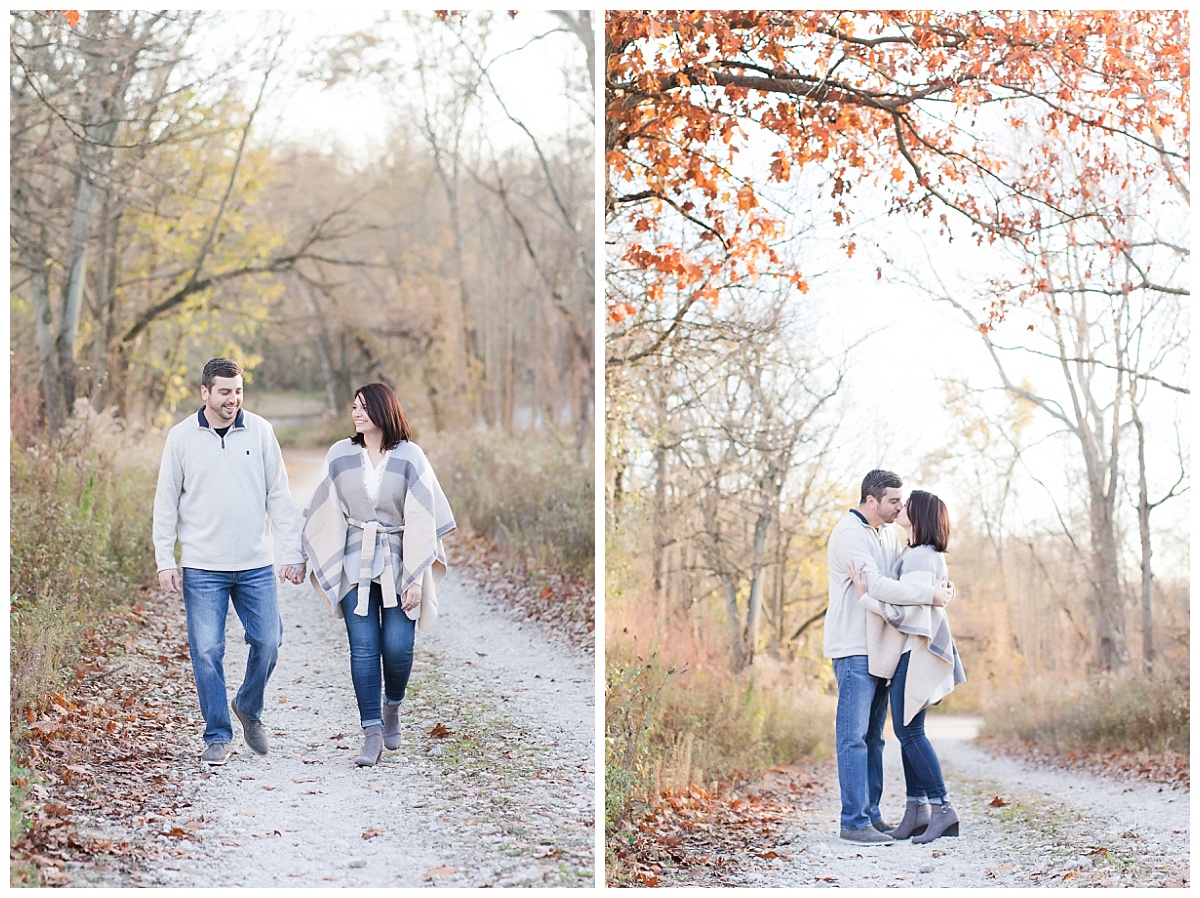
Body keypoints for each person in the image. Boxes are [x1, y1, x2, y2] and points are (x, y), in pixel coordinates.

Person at [153, 357, 307, 766]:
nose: (232, 399)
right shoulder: (181, 438)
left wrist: (293, 552)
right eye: (224, 392)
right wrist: (164, 558)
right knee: (206, 650)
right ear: (205, 392)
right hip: (203, 567)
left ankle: (248, 706)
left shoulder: (260, 431)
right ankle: (218, 734)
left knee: (269, 642)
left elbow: (280, 495)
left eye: (238, 391)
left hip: (255, 563)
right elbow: (166, 502)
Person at [301, 383, 455, 767]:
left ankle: (392, 709)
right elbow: (323, 510)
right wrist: (308, 558)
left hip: (402, 561)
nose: (356, 413)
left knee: (399, 647)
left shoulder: (410, 456)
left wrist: (417, 578)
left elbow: (422, 515)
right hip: (356, 562)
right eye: (353, 406)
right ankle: (371, 732)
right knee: (364, 649)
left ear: (385, 410)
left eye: (364, 407)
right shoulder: (340, 454)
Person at [825, 469, 953, 844]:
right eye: (894, 501)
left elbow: (911, 577)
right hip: (853, 646)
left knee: (874, 738)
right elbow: (879, 586)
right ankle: (853, 821)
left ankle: (871, 815)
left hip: (881, 647)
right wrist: (931, 595)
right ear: (871, 501)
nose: (901, 507)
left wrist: (942, 590)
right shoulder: (850, 535)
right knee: (853, 737)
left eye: (903, 502)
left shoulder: (886, 536)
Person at [849, 489, 967, 844]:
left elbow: (905, 612)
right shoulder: (917, 554)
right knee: (909, 731)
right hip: (911, 651)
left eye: (908, 503)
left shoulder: (921, 557)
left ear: (921, 515)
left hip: (913, 652)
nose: (902, 507)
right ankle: (917, 811)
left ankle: (943, 808)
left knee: (910, 733)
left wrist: (865, 596)